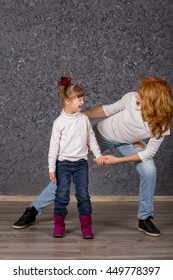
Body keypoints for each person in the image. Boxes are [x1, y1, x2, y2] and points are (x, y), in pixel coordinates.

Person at [13, 76, 173, 237]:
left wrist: (118, 160)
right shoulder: (131, 98)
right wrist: (79, 117)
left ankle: (145, 218)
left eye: (142, 94)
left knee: (149, 171)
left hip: (129, 143)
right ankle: (33, 210)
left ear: (153, 101)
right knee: (66, 170)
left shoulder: (163, 123)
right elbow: (107, 110)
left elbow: (149, 153)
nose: (137, 95)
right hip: (101, 135)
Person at [50, 75, 104, 238]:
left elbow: (91, 138)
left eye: (82, 98)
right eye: (78, 99)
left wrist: (98, 154)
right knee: (61, 195)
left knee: (83, 195)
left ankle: (86, 227)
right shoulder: (59, 123)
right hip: (63, 165)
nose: (82, 102)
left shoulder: (84, 119)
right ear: (67, 101)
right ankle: (58, 225)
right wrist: (51, 168)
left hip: (81, 164)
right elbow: (53, 147)